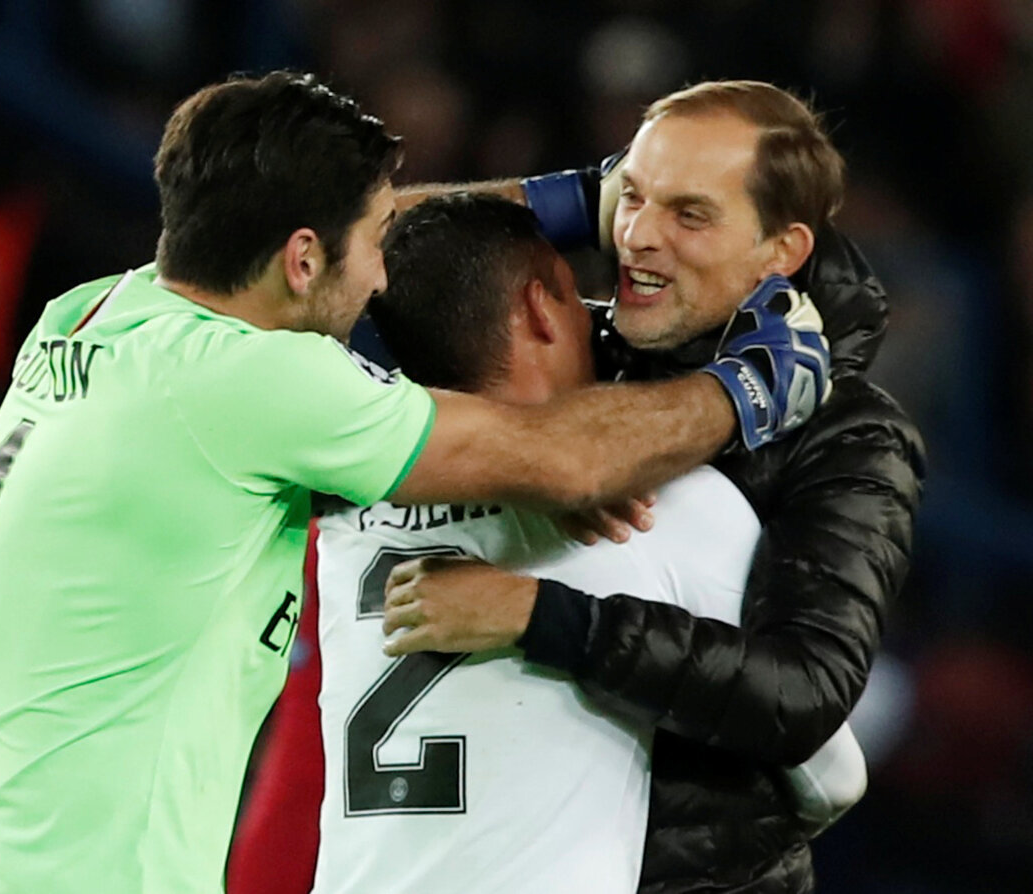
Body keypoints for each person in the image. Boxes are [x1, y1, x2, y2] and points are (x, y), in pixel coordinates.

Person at [0, 72, 831, 894]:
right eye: (376, 241)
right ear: (303, 259)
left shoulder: (94, 315)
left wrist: (575, 201)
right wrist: (748, 385)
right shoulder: (254, 386)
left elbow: (362, 243)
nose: (387, 276)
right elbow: (566, 460)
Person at [383, 80, 926, 893]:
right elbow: (348, 249)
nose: (637, 237)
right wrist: (567, 201)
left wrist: (540, 616)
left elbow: (802, 695)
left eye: (690, 214)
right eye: (630, 197)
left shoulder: (850, 434)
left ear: (781, 251)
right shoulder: (567, 349)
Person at [309, 193, 866, 893]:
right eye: (576, 298)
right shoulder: (670, 508)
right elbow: (833, 774)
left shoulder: (339, 510)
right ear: (540, 309)